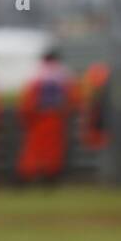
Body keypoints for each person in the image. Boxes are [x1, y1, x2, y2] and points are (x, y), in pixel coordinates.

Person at [16, 50, 76, 183]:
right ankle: (50, 174)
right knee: (53, 147)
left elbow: (27, 100)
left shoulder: (36, 74)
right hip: (55, 115)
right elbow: (72, 97)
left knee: (35, 147)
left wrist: (27, 116)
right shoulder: (63, 74)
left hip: (37, 117)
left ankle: (30, 173)